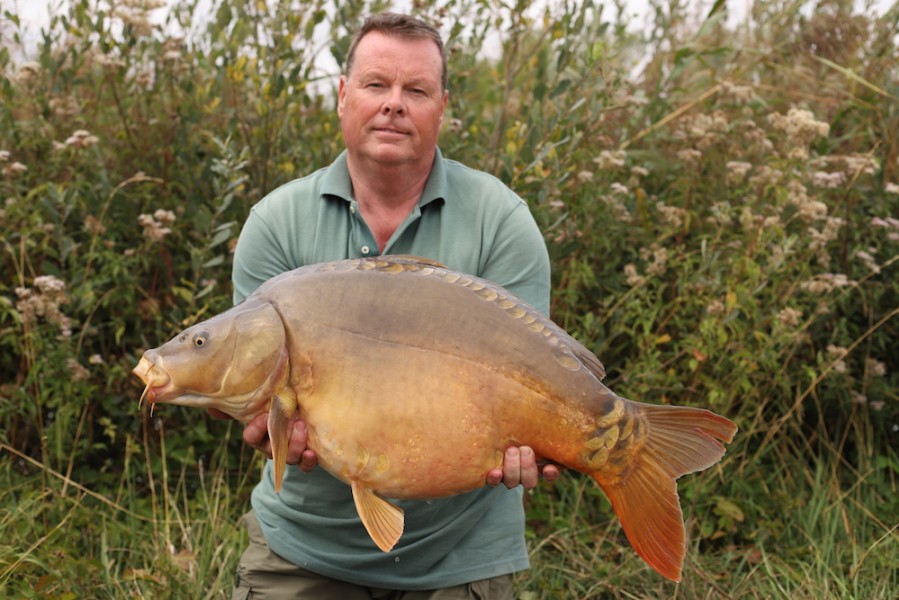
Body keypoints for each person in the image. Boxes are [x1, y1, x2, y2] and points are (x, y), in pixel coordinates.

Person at [223, 12, 558, 600]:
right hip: (305, 545)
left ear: (442, 107)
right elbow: (245, 385)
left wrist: (542, 441)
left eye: (417, 90)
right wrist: (262, 424)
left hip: (463, 552)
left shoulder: (501, 221)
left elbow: (538, 379)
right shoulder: (275, 224)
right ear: (343, 95)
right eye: (377, 85)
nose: (394, 104)